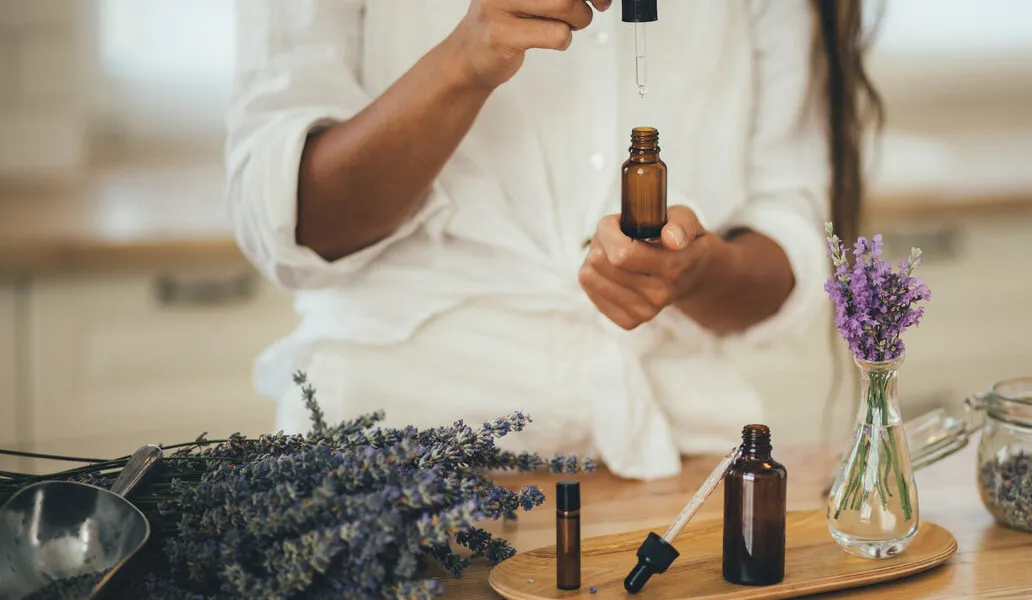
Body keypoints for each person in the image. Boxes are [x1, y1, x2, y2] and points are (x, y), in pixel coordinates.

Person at [226, 0, 880, 480]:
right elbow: (295, 222)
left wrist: (697, 273)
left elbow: (790, 240)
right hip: (393, 449)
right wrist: (466, 59)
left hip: (672, 453)